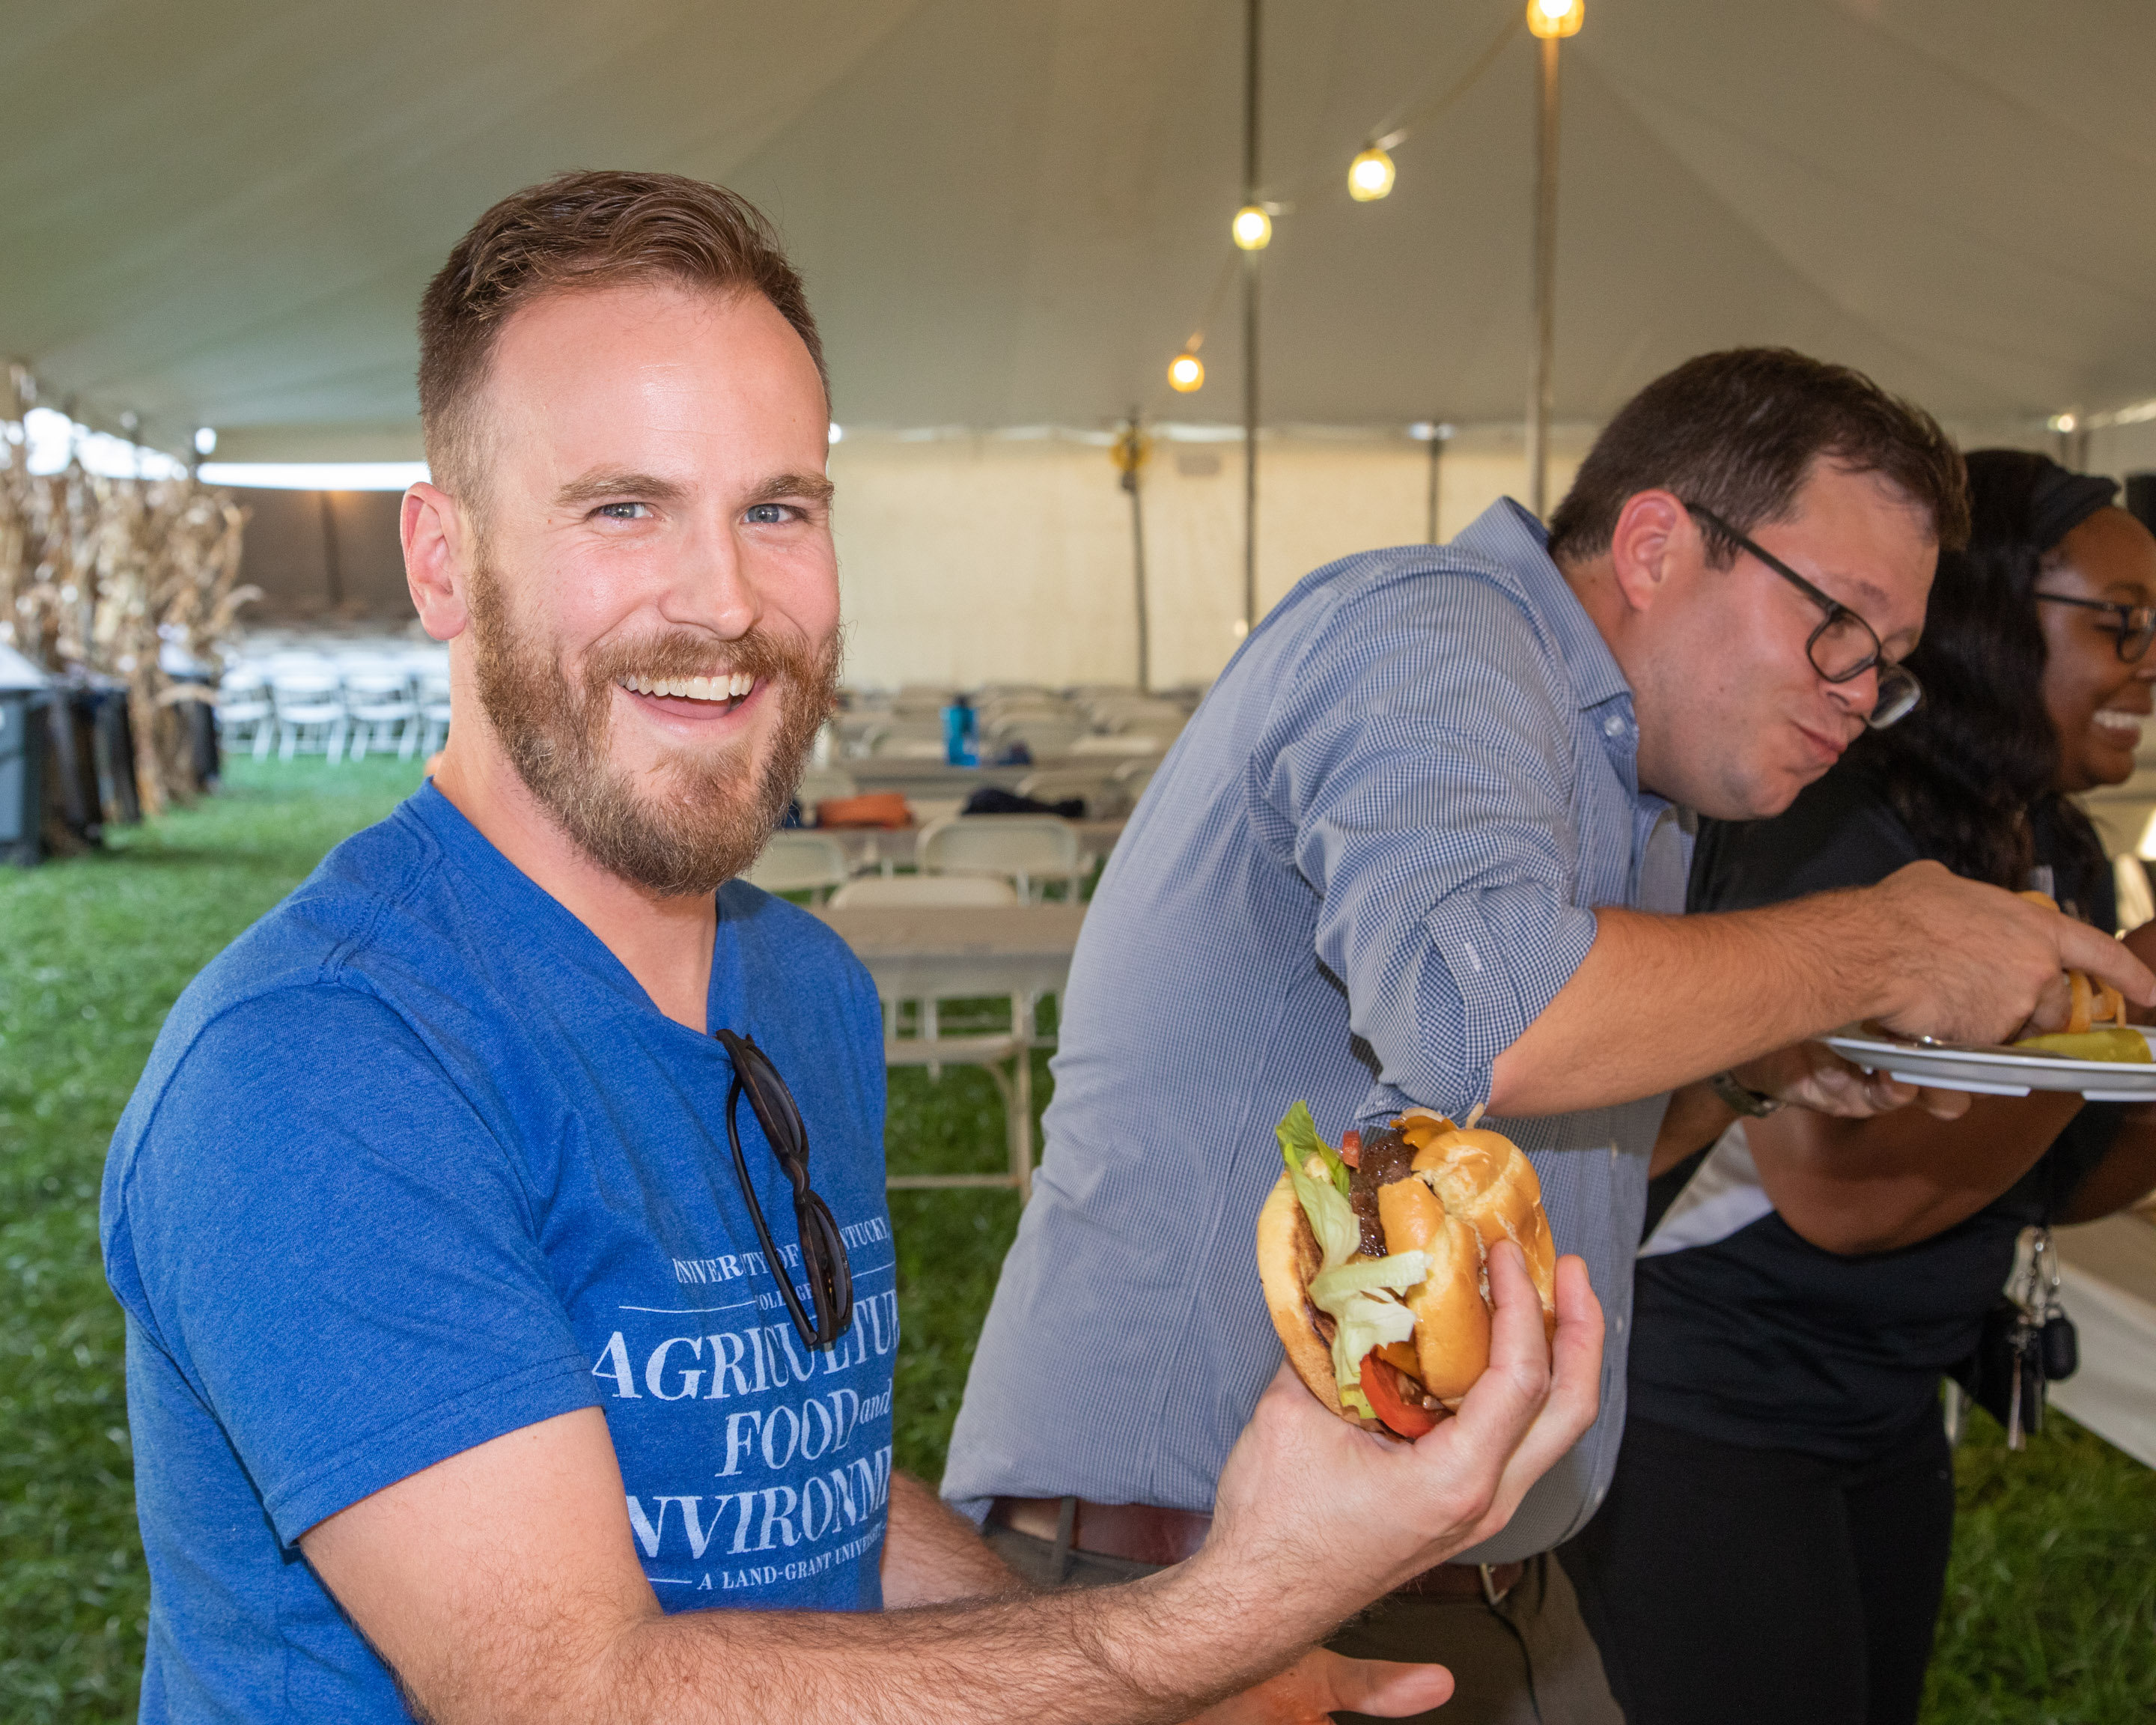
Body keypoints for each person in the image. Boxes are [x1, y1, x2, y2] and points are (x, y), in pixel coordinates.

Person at [98, 171, 1607, 1725]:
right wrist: (1213, 1619)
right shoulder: (320, 1064)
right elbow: (579, 1692)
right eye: (623, 507)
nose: (726, 600)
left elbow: (806, 1490)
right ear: (440, 560)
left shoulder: (798, 986)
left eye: (777, 509)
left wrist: (1156, 1686)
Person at [942, 351, 2156, 1725]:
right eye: (1839, 624)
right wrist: (1878, 943)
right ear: (1654, 546)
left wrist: (1746, 1070)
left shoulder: (1644, 783)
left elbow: (1524, 1168)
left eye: (1885, 668)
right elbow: (1492, 1017)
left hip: (1473, 1574)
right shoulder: (1436, 629)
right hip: (1183, 1577)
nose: (1853, 692)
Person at [1557, 449, 2156, 1725]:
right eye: (2120, 622)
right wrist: (2114, 1016)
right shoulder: (1833, 830)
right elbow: (1845, 1200)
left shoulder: (2051, 847)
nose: (2148, 658)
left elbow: (2046, 1176)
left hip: (1884, 1404)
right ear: (1993, 620)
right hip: (1714, 1408)